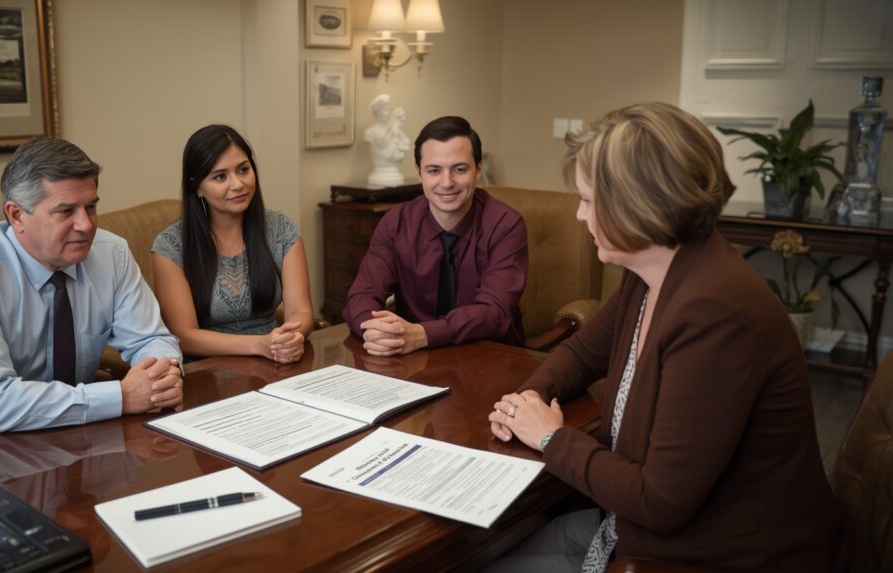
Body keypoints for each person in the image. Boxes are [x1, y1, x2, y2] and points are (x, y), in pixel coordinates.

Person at [485, 103, 837, 572]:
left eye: (588, 200)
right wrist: (528, 400)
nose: (579, 215)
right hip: (636, 526)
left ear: (638, 206)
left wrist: (550, 437)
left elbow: (659, 501)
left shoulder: (715, 313)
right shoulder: (652, 272)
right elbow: (583, 354)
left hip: (717, 556)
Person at [0, 138, 184, 436]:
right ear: (16, 215)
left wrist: (160, 377)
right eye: (66, 211)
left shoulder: (111, 254)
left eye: (90, 206)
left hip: (66, 431)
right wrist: (122, 396)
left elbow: (151, 339)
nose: (86, 225)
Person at [344, 115, 528, 356]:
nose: (447, 182)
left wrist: (422, 334)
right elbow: (362, 295)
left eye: (459, 169)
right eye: (434, 170)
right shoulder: (395, 223)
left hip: (491, 356)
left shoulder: (507, 226)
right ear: (419, 173)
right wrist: (373, 328)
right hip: (411, 358)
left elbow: (494, 313)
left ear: (478, 170)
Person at [151, 125, 313, 364]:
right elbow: (184, 336)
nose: (238, 184)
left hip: (275, 361)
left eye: (243, 170)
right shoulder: (170, 246)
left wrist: (291, 337)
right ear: (197, 187)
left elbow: (301, 311)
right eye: (220, 176)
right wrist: (259, 345)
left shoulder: (282, 229)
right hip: (206, 370)